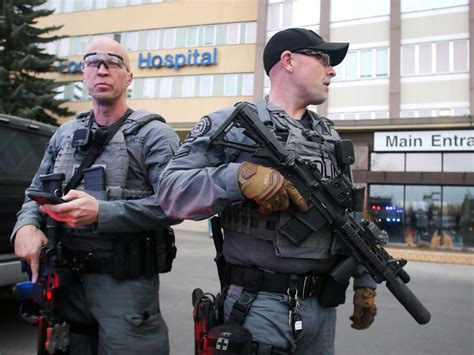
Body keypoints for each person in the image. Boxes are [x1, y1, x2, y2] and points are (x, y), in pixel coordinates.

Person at [158, 28, 377, 354]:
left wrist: (365, 280)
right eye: (323, 59)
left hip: (323, 306)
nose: (331, 70)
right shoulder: (232, 125)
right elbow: (170, 192)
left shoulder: (329, 137)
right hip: (258, 305)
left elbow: (347, 218)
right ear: (287, 61)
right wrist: (239, 178)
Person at [12, 37, 180, 354]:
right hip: (65, 284)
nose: (102, 70)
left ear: (129, 77)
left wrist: (102, 213)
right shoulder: (64, 134)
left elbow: (175, 206)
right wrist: (25, 227)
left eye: (113, 62)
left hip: (125, 286)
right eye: (93, 62)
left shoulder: (153, 135)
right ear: (84, 74)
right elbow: (34, 195)